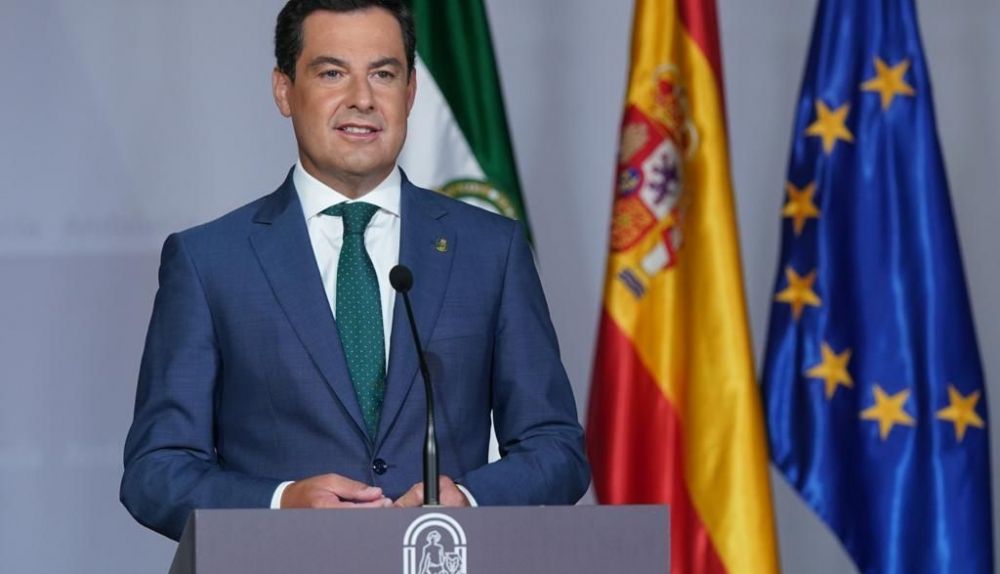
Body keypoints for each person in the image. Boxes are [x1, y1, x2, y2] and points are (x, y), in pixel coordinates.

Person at [120, 0, 589, 540]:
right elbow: (156, 471)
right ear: (283, 90)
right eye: (332, 73)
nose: (362, 99)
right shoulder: (209, 261)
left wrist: (470, 500)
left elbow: (556, 448)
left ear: (410, 93)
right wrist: (279, 503)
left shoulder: (490, 250)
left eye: (383, 74)